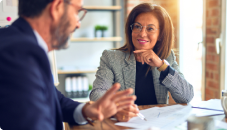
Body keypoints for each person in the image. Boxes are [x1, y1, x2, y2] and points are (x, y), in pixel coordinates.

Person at [0, 0, 137, 130]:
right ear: (57, 7)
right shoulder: (20, 53)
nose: (78, 24)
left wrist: (86, 110)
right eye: (77, 11)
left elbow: (54, 99)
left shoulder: (19, 43)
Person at [90, 3, 194, 122]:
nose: (142, 33)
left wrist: (162, 66)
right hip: (123, 124)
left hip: (155, 124)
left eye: (150, 28)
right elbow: (96, 95)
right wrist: (118, 108)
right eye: (137, 26)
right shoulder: (111, 57)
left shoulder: (166, 57)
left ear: (160, 35)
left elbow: (186, 96)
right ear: (131, 29)